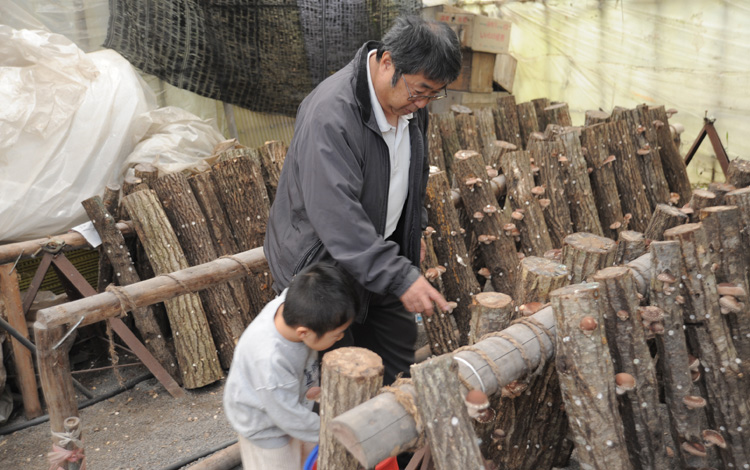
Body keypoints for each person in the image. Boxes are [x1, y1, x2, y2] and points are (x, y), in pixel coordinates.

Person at [264, 15, 463, 384]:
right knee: (343, 381)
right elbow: (336, 216)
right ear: (387, 61)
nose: (422, 104)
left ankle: (393, 439)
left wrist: (412, 227)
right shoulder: (331, 115)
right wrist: (401, 276)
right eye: (420, 91)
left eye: (434, 95)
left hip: (376, 258)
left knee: (395, 366)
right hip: (322, 269)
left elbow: (414, 172)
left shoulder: (409, 105)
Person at [223, 263, 357, 470]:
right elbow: (289, 418)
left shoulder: (293, 304)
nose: (340, 338)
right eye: (336, 334)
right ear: (304, 333)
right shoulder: (270, 361)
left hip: (290, 406)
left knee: (307, 456)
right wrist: (336, 432)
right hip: (266, 429)